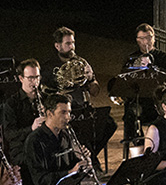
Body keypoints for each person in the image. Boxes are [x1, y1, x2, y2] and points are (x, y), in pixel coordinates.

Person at [43, 27, 116, 162]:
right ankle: (90, 160)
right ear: (57, 46)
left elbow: (95, 91)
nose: (72, 47)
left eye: (73, 43)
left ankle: (90, 155)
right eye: (68, 44)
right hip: (64, 111)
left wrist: (91, 82)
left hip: (83, 107)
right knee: (81, 130)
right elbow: (44, 93)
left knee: (109, 124)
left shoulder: (81, 62)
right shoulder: (49, 67)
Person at [119, 24, 166, 142]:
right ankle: (137, 145)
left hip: (157, 100)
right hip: (139, 100)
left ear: (154, 38)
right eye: (142, 39)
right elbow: (123, 79)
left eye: (149, 37)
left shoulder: (163, 57)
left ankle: (160, 142)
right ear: (137, 40)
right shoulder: (132, 58)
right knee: (130, 112)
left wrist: (154, 69)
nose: (146, 42)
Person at [0, 59, 47, 165]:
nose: (35, 82)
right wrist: (31, 128)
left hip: (43, 145)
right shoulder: (12, 103)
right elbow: (9, 134)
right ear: (21, 78)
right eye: (30, 78)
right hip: (22, 149)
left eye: (37, 77)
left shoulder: (46, 99)